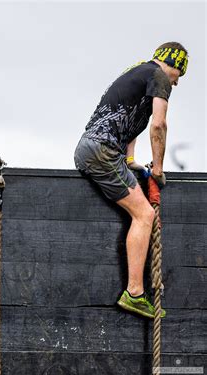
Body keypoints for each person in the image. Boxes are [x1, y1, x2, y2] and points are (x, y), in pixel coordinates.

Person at [74, 42, 188, 318]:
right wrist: (158, 168)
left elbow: (131, 119)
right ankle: (134, 293)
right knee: (144, 215)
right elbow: (158, 124)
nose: (176, 83)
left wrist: (129, 161)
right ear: (175, 66)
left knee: (137, 211)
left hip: (93, 148)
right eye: (179, 76)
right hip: (102, 151)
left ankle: (134, 291)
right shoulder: (161, 78)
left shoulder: (139, 71)